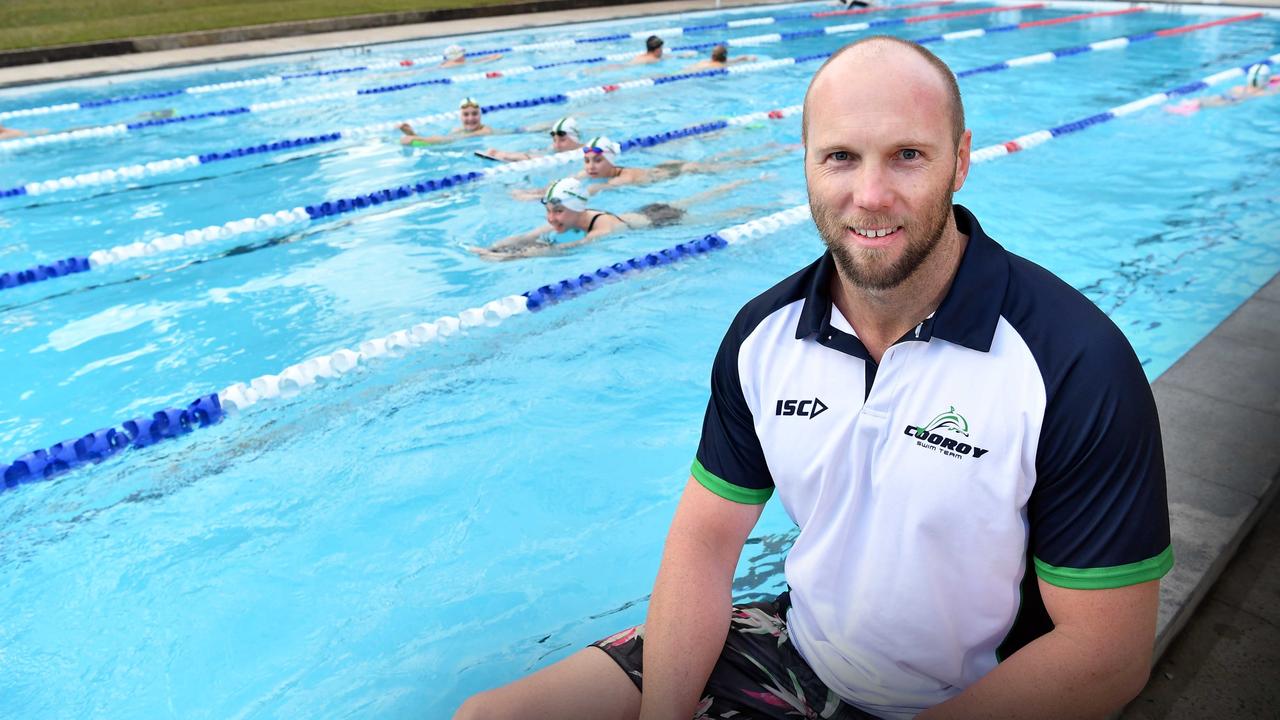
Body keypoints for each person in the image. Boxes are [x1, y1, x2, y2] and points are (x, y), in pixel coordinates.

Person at [455, 35, 1171, 719]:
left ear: (960, 162)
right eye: (840, 157)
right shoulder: (763, 338)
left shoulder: (1072, 362)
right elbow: (703, 549)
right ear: (805, 163)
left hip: (972, 697)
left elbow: (1105, 655)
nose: (870, 193)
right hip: (794, 648)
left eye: (908, 156)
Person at [471, 175, 746, 260]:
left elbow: (565, 248)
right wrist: (496, 245)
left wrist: (510, 257)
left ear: (576, 209)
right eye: (549, 211)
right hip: (644, 210)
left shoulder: (602, 227)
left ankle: (746, 201)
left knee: (713, 216)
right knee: (696, 199)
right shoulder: (571, 216)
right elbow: (527, 236)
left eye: (557, 211)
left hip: (660, 221)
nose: (552, 218)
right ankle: (731, 185)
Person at [481, 116, 584, 162]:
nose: (557, 145)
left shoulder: (587, 152)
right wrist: (506, 154)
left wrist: (508, 156)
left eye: (562, 140)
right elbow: (535, 155)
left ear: (576, 140)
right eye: (554, 140)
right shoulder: (554, 149)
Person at [399, 97, 494, 146]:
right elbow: (445, 139)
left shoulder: (485, 130)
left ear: (480, 115)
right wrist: (414, 135)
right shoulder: (457, 130)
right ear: (460, 117)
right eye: (466, 114)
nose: (470, 118)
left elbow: (448, 140)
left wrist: (419, 139)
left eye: (474, 114)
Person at [682, 44, 757, 72]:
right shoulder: (724, 65)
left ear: (712, 56)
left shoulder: (704, 62)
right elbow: (741, 58)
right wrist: (750, 57)